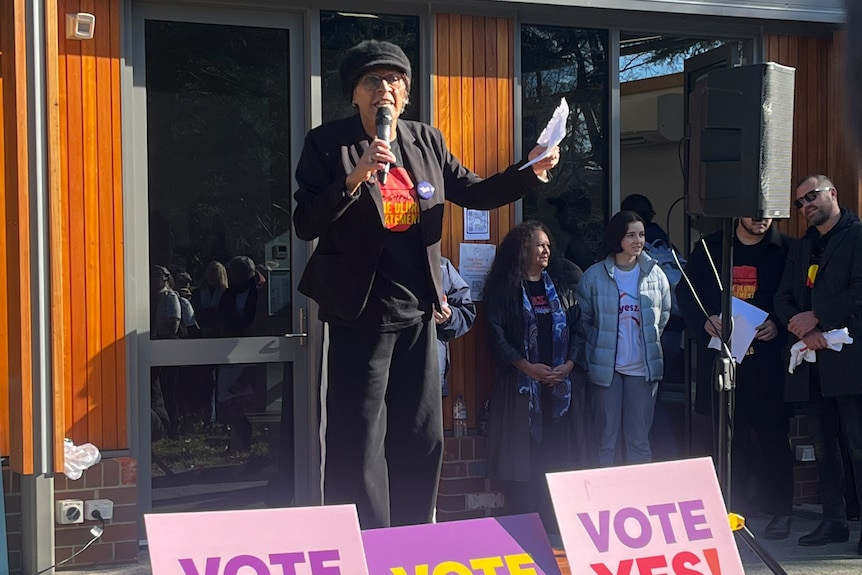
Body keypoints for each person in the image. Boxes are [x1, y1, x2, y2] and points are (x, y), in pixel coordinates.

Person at [292, 39, 559, 529]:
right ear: (354, 94)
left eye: (395, 81)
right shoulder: (327, 143)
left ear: (407, 95)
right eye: (373, 81)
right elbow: (306, 221)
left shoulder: (425, 141)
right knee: (359, 437)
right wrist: (353, 178)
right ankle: (365, 539)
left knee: (422, 433)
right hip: (359, 312)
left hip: (417, 312)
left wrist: (530, 169)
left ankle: (414, 536)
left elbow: (476, 192)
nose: (385, 90)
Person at [676, 217, 794, 539]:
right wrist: (704, 321)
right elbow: (686, 293)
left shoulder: (786, 250)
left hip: (768, 363)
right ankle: (732, 509)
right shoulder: (710, 248)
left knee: (773, 437)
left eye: (767, 214)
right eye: (754, 213)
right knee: (729, 438)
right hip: (723, 360)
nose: (761, 220)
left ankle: (780, 511)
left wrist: (779, 326)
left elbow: (796, 297)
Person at [774, 175, 862, 554]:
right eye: (799, 202)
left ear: (832, 194)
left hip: (850, 361)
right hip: (813, 362)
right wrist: (803, 328)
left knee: (858, 446)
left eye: (811, 196)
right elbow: (783, 296)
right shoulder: (802, 246)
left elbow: (860, 292)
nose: (806, 205)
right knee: (823, 446)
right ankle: (834, 521)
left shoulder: (857, 236)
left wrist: (818, 317)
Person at [484, 220, 584, 534]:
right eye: (539, 245)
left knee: (555, 457)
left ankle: (555, 524)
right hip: (520, 390)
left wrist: (569, 364)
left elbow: (579, 330)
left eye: (547, 245)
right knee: (523, 461)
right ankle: (525, 526)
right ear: (522, 249)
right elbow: (496, 337)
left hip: (558, 391)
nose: (545, 251)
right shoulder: (505, 291)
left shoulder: (562, 288)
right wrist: (527, 367)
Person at [577, 210, 671, 467]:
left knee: (639, 440)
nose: (638, 240)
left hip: (643, 369)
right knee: (605, 440)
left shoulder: (656, 273)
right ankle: (604, 499)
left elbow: (662, 317)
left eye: (641, 234)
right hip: (606, 369)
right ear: (617, 238)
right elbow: (585, 321)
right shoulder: (594, 276)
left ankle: (638, 499)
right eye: (631, 235)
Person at [436, 257, 476, 398]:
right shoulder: (380, 262)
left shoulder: (442, 266)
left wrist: (449, 317)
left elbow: (466, 312)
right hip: (386, 370)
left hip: (431, 372)